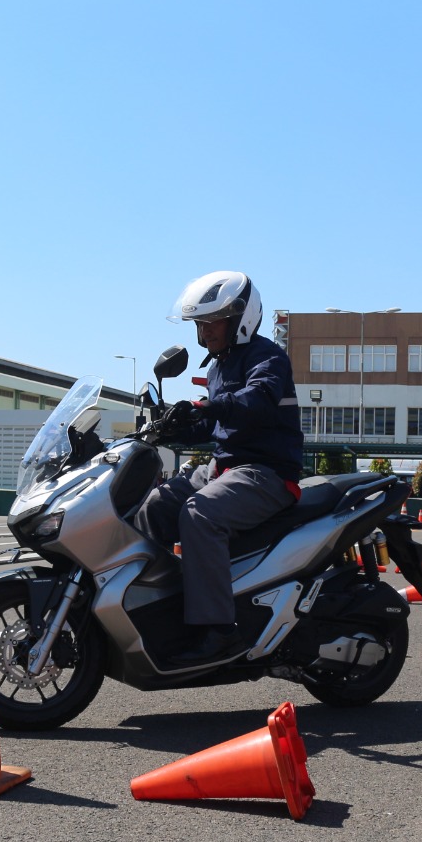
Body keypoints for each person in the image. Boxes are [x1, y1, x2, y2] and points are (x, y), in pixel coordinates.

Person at [134, 271, 303, 666]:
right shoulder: (216, 369)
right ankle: (153, 603)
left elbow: (256, 400)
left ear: (241, 318)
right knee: (155, 504)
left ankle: (217, 631)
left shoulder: (268, 358)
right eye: (200, 324)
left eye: (212, 322)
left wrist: (206, 406)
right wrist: (172, 425)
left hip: (267, 473)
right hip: (224, 467)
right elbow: (214, 426)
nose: (205, 333)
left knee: (199, 515)